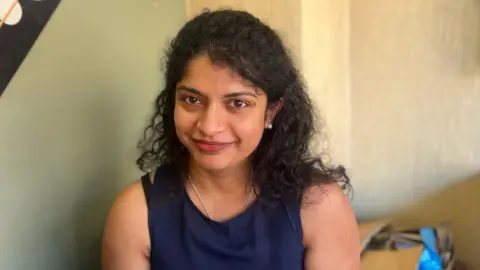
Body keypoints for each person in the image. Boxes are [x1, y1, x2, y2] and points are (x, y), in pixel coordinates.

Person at [102, 9, 360, 270]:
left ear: (271, 111)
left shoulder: (319, 206)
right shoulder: (135, 212)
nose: (210, 126)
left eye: (237, 103)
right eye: (191, 100)